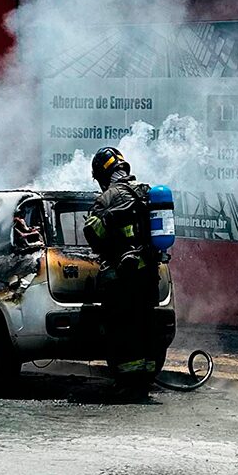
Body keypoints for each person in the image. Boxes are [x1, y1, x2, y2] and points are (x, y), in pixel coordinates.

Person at [82, 147, 164, 395]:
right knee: (145, 323)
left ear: (102, 174)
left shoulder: (106, 199)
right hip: (149, 273)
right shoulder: (146, 193)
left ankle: (128, 383)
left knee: (122, 328)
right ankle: (146, 378)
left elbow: (93, 234)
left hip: (123, 277)